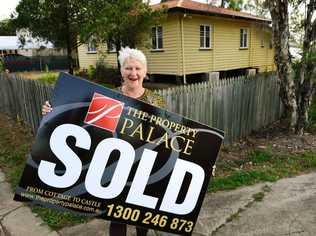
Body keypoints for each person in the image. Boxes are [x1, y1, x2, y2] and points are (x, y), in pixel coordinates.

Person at [42, 47, 166, 236]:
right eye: (128, 68)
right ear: (121, 71)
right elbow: (83, 123)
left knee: (142, 218)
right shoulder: (109, 97)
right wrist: (53, 112)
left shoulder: (156, 101)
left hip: (143, 167)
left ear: (145, 72)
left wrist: (205, 164)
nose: (133, 73)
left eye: (138, 68)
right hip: (115, 167)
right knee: (116, 219)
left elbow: (168, 137)